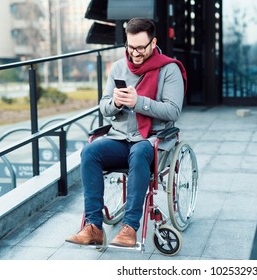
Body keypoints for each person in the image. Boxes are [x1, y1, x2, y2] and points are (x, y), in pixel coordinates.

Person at [65, 18, 187, 247]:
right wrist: (117, 103)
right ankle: (93, 227)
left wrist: (139, 102)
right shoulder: (120, 67)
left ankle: (130, 228)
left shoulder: (170, 69)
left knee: (140, 151)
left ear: (153, 43)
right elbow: (104, 107)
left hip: (152, 139)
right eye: (131, 47)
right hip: (120, 138)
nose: (136, 53)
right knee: (90, 151)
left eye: (141, 47)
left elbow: (173, 111)